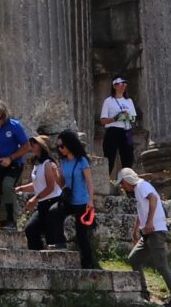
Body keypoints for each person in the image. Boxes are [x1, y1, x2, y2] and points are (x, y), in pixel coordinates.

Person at [118, 168, 171, 304]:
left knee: (161, 264)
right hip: (148, 232)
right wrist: (137, 228)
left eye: (122, 183)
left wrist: (149, 222)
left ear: (127, 180)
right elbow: (142, 209)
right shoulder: (138, 189)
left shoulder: (142, 186)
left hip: (155, 231)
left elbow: (153, 199)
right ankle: (143, 292)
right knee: (134, 259)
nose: (122, 186)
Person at [56, 130, 100, 268]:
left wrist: (91, 201)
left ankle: (88, 263)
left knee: (81, 235)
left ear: (69, 144)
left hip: (81, 201)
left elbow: (89, 182)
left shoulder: (82, 161)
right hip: (69, 200)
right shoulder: (62, 162)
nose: (60, 149)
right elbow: (61, 183)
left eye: (62, 146)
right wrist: (54, 173)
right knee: (54, 213)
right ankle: (59, 242)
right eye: (58, 147)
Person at [20, 141, 67, 249]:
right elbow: (38, 184)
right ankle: (38, 256)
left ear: (42, 147)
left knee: (51, 234)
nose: (31, 146)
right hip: (43, 203)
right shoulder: (38, 164)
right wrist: (21, 188)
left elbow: (50, 187)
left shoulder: (48, 164)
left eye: (34, 144)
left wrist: (35, 199)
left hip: (53, 201)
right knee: (31, 229)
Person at [99, 78, 139, 172]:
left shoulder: (129, 101)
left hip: (126, 130)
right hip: (113, 130)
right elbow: (103, 120)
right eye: (120, 84)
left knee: (128, 159)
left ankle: (127, 182)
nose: (123, 86)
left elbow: (134, 118)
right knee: (110, 159)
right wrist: (116, 118)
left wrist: (127, 116)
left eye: (125, 84)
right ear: (114, 86)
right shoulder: (108, 101)